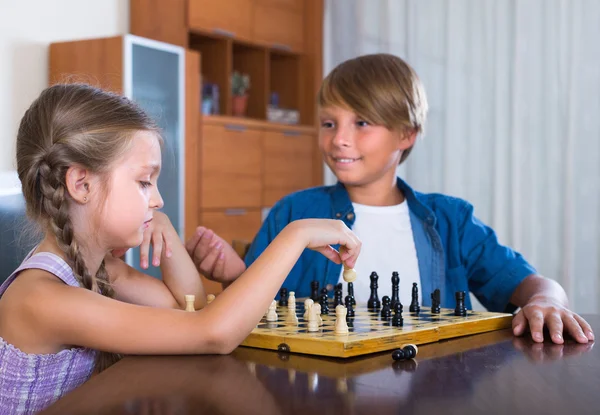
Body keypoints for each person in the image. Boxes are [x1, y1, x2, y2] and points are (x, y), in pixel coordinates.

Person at [187, 53, 594, 346]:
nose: (339, 138)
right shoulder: (294, 213)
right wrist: (234, 274)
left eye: (361, 123)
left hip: (430, 386)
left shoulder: (451, 219)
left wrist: (545, 301)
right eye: (329, 123)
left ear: (406, 134)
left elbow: (528, 282)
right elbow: (259, 311)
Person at [0, 83, 361, 413]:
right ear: (81, 184)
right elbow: (212, 332)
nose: (157, 199)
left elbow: (187, 308)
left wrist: (167, 232)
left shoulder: (98, 270)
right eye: (144, 182)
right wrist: (294, 236)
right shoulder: (42, 299)